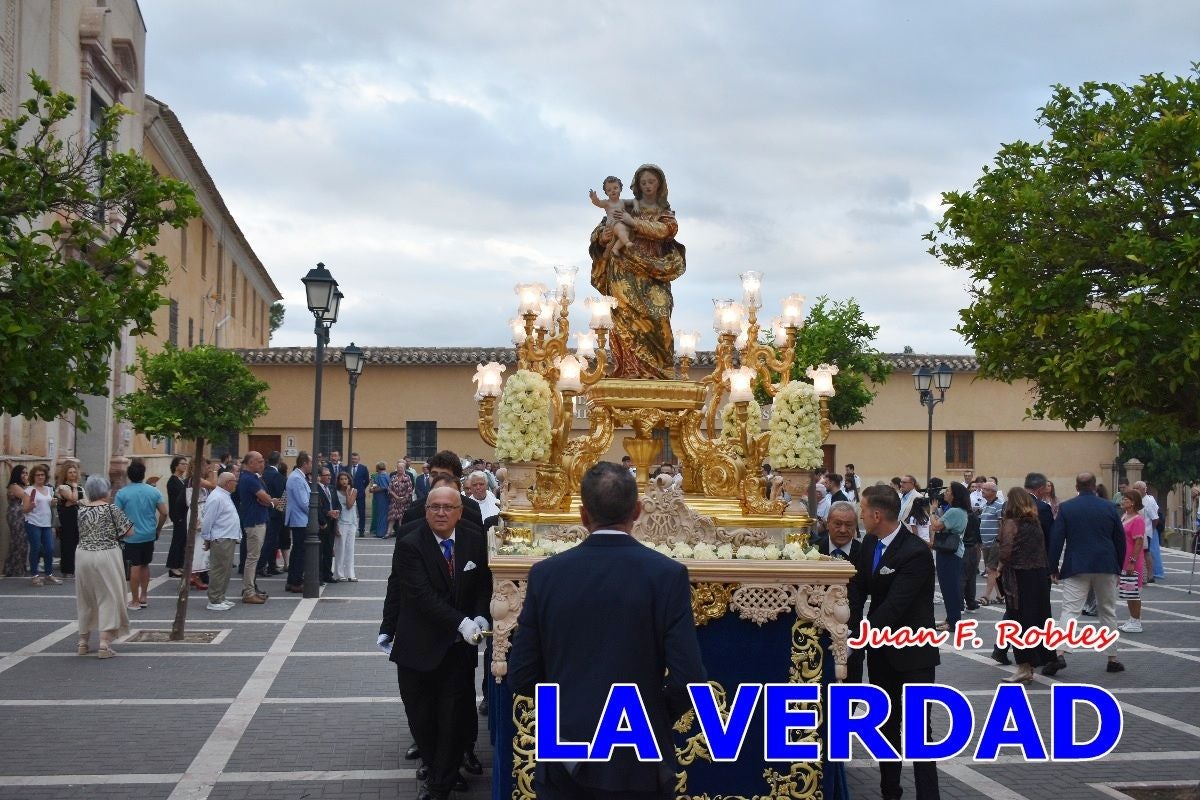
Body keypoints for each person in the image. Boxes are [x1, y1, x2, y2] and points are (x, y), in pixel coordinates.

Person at [509, 463, 705, 799]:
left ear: (583, 515)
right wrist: (650, 715)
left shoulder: (546, 575)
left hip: (565, 756)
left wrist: (569, 709)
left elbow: (522, 675)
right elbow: (689, 680)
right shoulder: (667, 575)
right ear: (638, 511)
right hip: (638, 759)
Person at [378, 485, 492, 800]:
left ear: (459, 512)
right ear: (426, 510)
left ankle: (440, 785)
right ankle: (440, 767)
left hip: (457, 651)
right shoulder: (410, 543)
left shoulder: (474, 540)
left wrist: (482, 616)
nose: (440, 513)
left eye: (447, 507)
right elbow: (420, 596)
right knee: (422, 719)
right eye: (434, 507)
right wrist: (462, 621)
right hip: (418, 648)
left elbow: (483, 583)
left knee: (452, 719)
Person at [850, 484, 940, 800]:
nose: (859, 515)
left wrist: (858, 637)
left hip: (914, 655)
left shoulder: (915, 551)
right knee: (886, 729)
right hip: (881, 655)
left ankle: (929, 796)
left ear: (876, 515)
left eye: (862, 510)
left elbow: (895, 605)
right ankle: (890, 792)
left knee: (918, 734)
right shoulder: (868, 544)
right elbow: (857, 589)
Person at [588, 163, 686, 379]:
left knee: (659, 316)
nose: (648, 185)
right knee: (624, 317)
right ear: (637, 185)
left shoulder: (663, 212)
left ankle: (661, 372)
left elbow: (667, 230)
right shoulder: (627, 205)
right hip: (623, 269)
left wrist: (636, 224)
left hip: (653, 270)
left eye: (652, 181)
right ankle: (629, 370)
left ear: (660, 184)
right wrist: (601, 237)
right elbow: (604, 225)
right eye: (643, 182)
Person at [1046, 472, 1126, 675]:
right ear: (1094, 486)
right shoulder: (1109, 507)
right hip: (1105, 564)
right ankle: (1112, 658)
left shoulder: (1067, 507)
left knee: (1070, 610)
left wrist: (1053, 567)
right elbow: (1120, 540)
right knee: (1107, 610)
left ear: (1077, 486)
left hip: (1077, 565)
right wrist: (1119, 566)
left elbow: (1057, 539)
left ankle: (1061, 652)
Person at [994, 487, 1054, 680]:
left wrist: (999, 568)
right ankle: (1032, 665)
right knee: (1037, 619)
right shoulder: (1035, 523)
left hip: (1019, 577)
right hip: (1038, 576)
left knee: (1017, 620)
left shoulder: (1011, 523)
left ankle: (1023, 667)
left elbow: (1005, 552)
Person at [73, 475, 134, 658]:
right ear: (105, 491)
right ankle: (104, 644)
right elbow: (129, 531)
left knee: (85, 598)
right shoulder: (110, 509)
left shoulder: (81, 510)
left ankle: (83, 642)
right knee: (108, 596)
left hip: (83, 554)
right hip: (106, 554)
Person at [114, 460, 167, 610]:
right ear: (143, 475)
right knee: (145, 564)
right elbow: (164, 512)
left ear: (129, 476)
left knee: (134, 566)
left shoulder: (122, 493)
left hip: (131, 535)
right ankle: (144, 595)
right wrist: (158, 528)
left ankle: (135, 600)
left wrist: (120, 532)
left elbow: (116, 515)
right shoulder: (154, 491)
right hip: (149, 533)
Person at [403, 451, 484, 527]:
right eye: (434, 475)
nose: (438, 480)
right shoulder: (413, 510)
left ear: (456, 478)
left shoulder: (472, 509)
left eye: (444, 476)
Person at [930, 482, 969, 632]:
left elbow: (936, 526)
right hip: (952, 551)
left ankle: (953, 621)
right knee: (949, 587)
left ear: (954, 495)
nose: (945, 493)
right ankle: (951, 618)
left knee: (949, 587)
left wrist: (933, 511)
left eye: (947, 491)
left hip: (949, 553)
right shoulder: (958, 511)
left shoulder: (955, 511)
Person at [201, 472, 242, 611]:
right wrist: (206, 538)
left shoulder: (224, 496)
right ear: (227, 483)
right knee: (218, 570)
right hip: (221, 538)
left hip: (228, 537)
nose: (236, 483)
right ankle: (214, 600)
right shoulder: (217, 497)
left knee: (225, 570)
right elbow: (207, 520)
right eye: (234, 481)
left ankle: (221, 596)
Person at [235, 451, 272, 604]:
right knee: (252, 557)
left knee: (253, 557)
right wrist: (267, 500)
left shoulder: (252, 477)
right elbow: (265, 498)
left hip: (258, 519)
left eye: (262, 461)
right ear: (250, 463)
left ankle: (250, 588)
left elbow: (265, 499)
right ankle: (248, 591)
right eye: (259, 461)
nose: (262, 464)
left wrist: (266, 500)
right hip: (254, 522)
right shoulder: (249, 479)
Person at [22, 464, 60, 585]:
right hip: (33, 523)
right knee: (36, 549)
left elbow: (49, 505)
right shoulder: (29, 490)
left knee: (49, 549)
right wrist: (30, 506)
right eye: (37, 475)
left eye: (42, 475)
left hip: (46, 523)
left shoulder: (48, 489)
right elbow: (25, 509)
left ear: (45, 476)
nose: (40, 477)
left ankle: (49, 574)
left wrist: (53, 503)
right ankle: (35, 575)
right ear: (33, 476)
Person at [1118, 490, 1146, 633]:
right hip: (1124, 558)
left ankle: (1136, 621)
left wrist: (1132, 561)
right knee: (1128, 591)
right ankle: (1132, 618)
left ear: (1133, 502)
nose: (1123, 501)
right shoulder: (1124, 516)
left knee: (1133, 591)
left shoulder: (1138, 519)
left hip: (1132, 559)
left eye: (1126, 499)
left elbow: (1139, 542)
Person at [284, 452, 313, 593]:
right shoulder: (296, 478)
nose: (312, 466)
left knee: (297, 551)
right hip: (300, 520)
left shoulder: (299, 476)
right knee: (299, 552)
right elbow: (303, 502)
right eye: (310, 463)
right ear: (305, 463)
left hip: (300, 519)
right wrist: (314, 516)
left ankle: (292, 580)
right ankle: (295, 581)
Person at [589, 175, 635, 255]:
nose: (613, 191)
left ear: (620, 189)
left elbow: (634, 201)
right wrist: (594, 199)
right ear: (606, 193)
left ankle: (615, 249)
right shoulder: (607, 203)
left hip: (621, 222)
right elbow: (598, 203)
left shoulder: (622, 202)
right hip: (612, 223)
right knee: (622, 231)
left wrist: (638, 203)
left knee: (626, 233)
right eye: (609, 190)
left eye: (615, 188)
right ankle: (627, 243)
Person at [258, 451, 286, 578]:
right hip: (275, 512)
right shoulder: (277, 476)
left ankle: (271, 565)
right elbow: (282, 496)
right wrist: (281, 510)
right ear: (279, 462)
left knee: (270, 541)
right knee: (271, 541)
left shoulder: (264, 474)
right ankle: (263, 566)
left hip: (264, 510)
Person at [56, 464, 84, 579]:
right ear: (65, 474)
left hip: (78, 516)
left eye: (74, 472)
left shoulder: (80, 488)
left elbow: (83, 501)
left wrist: (74, 499)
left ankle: (76, 568)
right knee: (67, 543)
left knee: (78, 542)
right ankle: (67, 570)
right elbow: (73, 499)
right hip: (66, 517)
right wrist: (74, 488)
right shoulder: (62, 487)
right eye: (70, 472)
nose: (73, 474)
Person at [165, 456, 190, 577]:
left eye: (186, 464)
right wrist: (177, 516)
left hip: (184, 514)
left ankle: (179, 564)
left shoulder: (182, 480)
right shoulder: (173, 481)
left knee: (182, 540)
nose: (185, 466)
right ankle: (173, 566)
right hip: (178, 515)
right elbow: (175, 500)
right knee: (177, 540)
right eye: (182, 464)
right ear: (176, 466)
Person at [5, 465, 30, 577]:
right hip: (15, 513)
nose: (25, 475)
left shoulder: (20, 485)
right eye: (23, 473)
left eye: (26, 473)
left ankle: (19, 567)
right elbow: (26, 496)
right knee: (18, 540)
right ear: (17, 474)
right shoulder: (14, 486)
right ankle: (15, 569)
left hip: (21, 512)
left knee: (22, 541)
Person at [334, 471, 358, 581]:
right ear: (338, 481)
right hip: (341, 522)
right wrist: (336, 526)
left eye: (346, 479)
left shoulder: (354, 491)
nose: (344, 481)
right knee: (340, 548)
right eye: (341, 479)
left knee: (350, 548)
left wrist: (348, 492)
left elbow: (349, 505)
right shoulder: (336, 492)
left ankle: (350, 574)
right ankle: (339, 573)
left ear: (349, 480)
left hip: (352, 522)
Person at [387, 459, 414, 535]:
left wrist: (404, 498)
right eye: (398, 468)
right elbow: (389, 488)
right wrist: (396, 497)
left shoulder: (407, 477)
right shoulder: (393, 477)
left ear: (404, 468)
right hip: (394, 501)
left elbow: (410, 489)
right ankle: (388, 533)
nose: (399, 469)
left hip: (404, 501)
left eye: (401, 468)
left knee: (401, 518)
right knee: (392, 517)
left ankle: (402, 533)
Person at [348, 452, 370, 536]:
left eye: (355, 459)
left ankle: (361, 530)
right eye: (353, 459)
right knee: (349, 511)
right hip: (349, 493)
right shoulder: (347, 468)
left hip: (360, 493)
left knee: (361, 512)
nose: (354, 460)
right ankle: (350, 529)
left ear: (358, 459)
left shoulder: (363, 468)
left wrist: (361, 488)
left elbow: (367, 480)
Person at [369, 461, 391, 538]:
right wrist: (373, 488)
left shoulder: (381, 476)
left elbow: (384, 487)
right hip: (380, 498)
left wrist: (374, 490)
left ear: (377, 468)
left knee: (382, 515)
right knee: (381, 514)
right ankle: (380, 531)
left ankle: (381, 532)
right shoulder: (384, 475)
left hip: (382, 498)